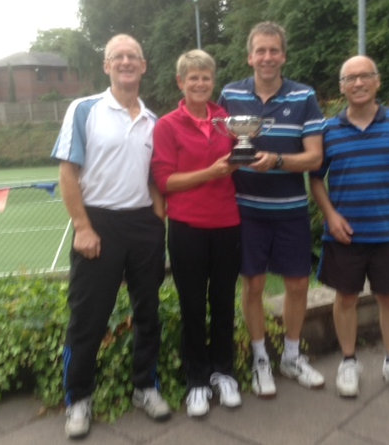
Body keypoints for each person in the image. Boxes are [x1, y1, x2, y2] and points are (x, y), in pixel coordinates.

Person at [51, 34, 171, 439]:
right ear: (106, 66)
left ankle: (144, 387)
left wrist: (158, 224)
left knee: (148, 314)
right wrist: (83, 227)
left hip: (143, 225)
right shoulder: (84, 109)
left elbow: (156, 179)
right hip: (98, 222)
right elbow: (68, 173)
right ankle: (78, 399)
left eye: (132, 56)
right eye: (117, 56)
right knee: (88, 319)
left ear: (143, 65)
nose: (125, 62)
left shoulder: (154, 120)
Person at [218, 21, 326, 398]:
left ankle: (292, 356)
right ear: (250, 56)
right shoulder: (230, 94)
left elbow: (315, 157)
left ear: (283, 55)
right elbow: (216, 144)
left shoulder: (304, 96)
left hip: (291, 210)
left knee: (298, 284)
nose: (267, 57)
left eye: (273, 50)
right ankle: (261, 358)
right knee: (254, 285)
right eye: (260, 51)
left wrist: (277, 160)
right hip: (245, 211)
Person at [310, 55, 389, 398]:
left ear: (377, 81)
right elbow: (315, 180)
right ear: (341, 87)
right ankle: (348, 362)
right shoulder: (328, 130)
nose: (357, 83)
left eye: (364, 76)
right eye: (350, 78)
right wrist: (330, 214)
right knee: (345, 298)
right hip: (345, 235)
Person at [151, 49, 242, 417]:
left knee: (222, 302)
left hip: (227, 223)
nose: (200, 83)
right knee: (192, 305)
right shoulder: (167, 125)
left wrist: (256, 157)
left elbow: (242, 156)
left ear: (212, 81)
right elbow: (165, 181)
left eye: (206, 77)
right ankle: (197, 381)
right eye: (193, 78)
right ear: (181, 83)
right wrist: (211, 173)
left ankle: (224, 373)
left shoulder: (228, 120)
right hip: (187, 227)